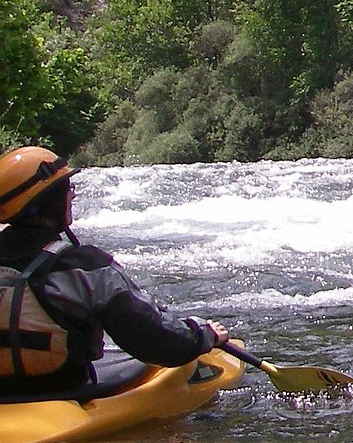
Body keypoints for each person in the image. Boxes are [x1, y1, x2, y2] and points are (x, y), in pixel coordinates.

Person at [0, 146, 228, 394]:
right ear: (49, 201)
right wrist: (203, 335)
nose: (72, 195)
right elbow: (157, 343)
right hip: (62, 391)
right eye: (68, 189)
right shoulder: (86, 266)